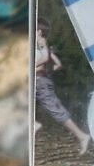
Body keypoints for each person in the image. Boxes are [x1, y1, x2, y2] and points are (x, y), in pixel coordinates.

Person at [34, 19, 90, 154]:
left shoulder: (41, 41)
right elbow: (58, 64)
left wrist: (31, 68)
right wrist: (45, 71)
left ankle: (82, 136)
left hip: (40, 82)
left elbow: (45, 58)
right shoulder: (38, 44)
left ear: (39, 31)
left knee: (57, 112)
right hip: (38, 81)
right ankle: (32, 124)